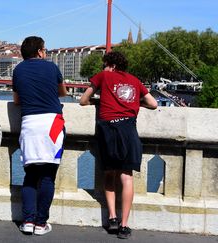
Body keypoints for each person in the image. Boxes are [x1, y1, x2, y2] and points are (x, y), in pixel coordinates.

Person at [79, 51, 157, 239]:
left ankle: (112, 218)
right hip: (129, 129)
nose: (103, 68)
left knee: (109, 175)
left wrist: (99, 99)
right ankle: (124, 225)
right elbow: (153, 104)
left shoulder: (103, 76)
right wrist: (136, 104)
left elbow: (83, 101)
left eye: (104, 65)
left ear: (111, 65)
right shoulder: (135, 80)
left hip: (108, 129)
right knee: (126, 177)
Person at [13, 36, 67, 235]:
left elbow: (17, 100)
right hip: (52, 124)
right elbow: (63, 92)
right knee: (47, 176)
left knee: (30, 174)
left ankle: (27, 221)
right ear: (40, 51)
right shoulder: (51, 68)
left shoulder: (18, 70)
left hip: (29, 124)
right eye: (45, 49)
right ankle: (41, 223)